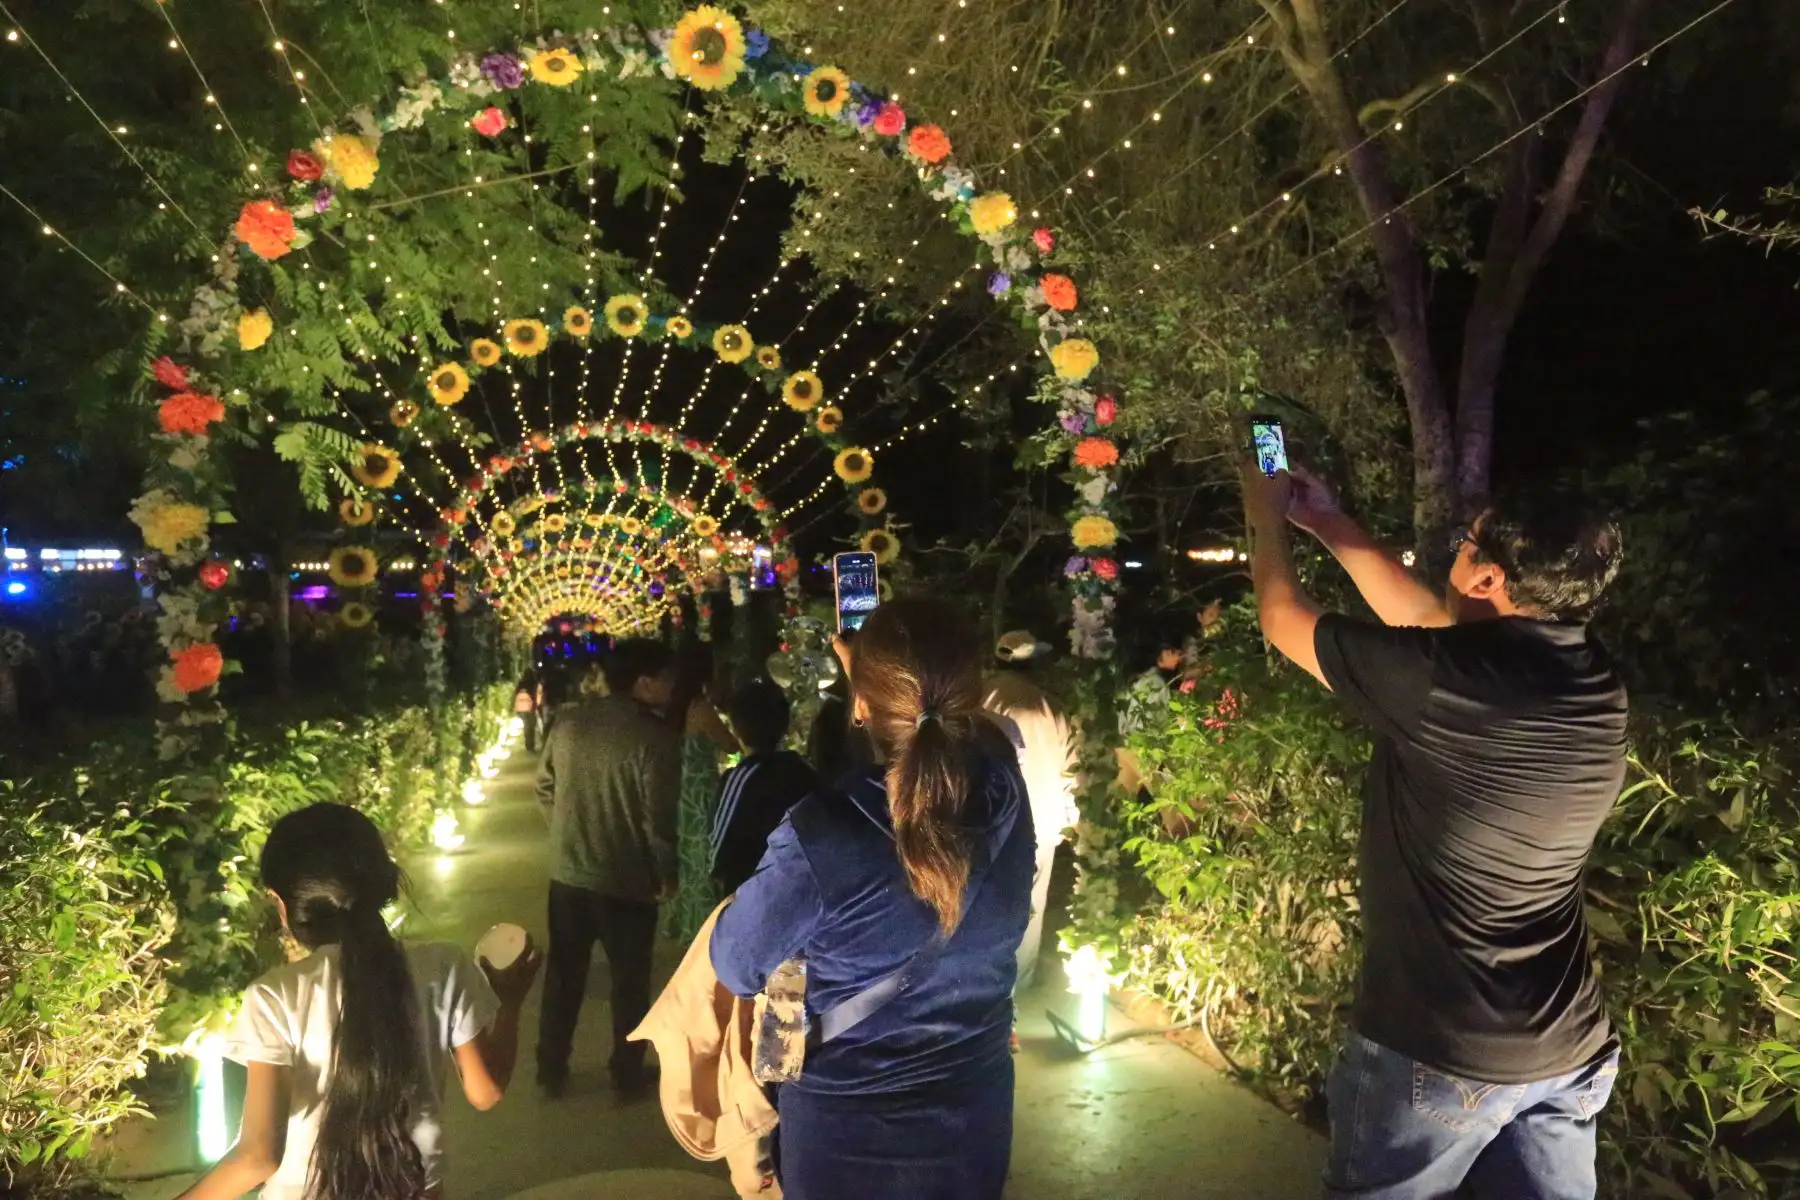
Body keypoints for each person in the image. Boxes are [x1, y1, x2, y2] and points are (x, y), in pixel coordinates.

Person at [1240, 460, 1628, 1200]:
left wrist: (1262, 512)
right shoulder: (1594, 681)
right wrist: (1326, 521)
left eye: (1466, 542)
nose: (1454, 552)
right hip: (1565, 1049)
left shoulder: (1445, 684)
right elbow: (1426, 621)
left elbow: (1281, 615)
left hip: (1438, 1050)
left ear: (1487, 578)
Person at [711, 597, 1035, 1199]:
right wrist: (872, 690)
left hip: (845, 1133)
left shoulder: (822, 835)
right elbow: (942, 748)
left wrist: (862, 695)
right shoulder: (1005, 794)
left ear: (863, 703)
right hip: (974, 1112)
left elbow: (736, 964)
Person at [177, 803, 539, 1200]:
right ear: (383, 882)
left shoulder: (274, 996)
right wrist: (508, 1002)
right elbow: (486, 1092)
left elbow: (258, 1156)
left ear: (283, 905)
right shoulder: (443, 966)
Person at [535, 638, 683, 1098]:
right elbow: (656, 818)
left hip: (569, 876)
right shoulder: (654, 737)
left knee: (564, 976)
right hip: (627, 880)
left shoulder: (569, 723)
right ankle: (625, 1071)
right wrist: (667, 873)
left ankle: (551, 1067)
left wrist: (565, 832)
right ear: (644, 682)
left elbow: (544, 787)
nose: (672, 687)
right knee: (629, 981)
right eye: (666, 678)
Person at [983, 630, 1079, 992]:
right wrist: (1071, 819)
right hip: (1041, 821)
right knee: (1030, 910)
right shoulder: (1048, 705)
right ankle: (1016, 995)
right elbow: (1072, 769)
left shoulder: (978, 698)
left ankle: (985, 991)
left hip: (988, 823)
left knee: (986, 907)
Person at [660, 642, 741, 944]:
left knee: (690, 857)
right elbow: (731, 744)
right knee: (706, 858)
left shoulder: (673, 706)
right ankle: (704, 925)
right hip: (702, 791)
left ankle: (689, 919)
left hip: (681, 788)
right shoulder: (701, 708)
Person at [710, 677, 819, 896]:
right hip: (803, 894)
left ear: (736, 729)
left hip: (754, 898)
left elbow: (719, 853)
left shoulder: (740, 779)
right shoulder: (804, 772)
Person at [514, 667, 540, 753]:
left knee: (526, 726)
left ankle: (528, 744)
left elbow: (516, 694)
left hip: (521, 708)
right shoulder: (533, 683)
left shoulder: (521, 683)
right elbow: (535, 696)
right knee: (531, 726)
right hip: (530, 707)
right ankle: (531, 745)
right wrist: (535, 707)